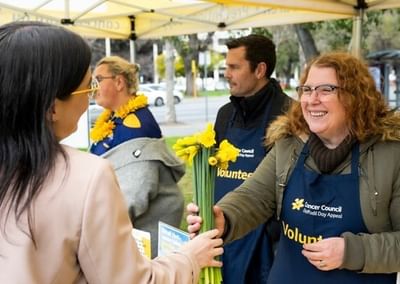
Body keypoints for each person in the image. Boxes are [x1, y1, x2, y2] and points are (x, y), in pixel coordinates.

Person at [0, 21, 223, 283]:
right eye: (87, 86)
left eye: (96, 83)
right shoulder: (86, 177)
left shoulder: (135, 125)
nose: (91, 96)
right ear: (52, 107)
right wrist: (189, 258)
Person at [188, 51, 400, 283]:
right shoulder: (290, 144)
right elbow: (253, 196)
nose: (311, 99)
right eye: (306, 90)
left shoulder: (390, 155)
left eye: (326, 89)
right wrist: (224, 218)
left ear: (355, 96)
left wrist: (354, 252)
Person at [212, 34, 290, 283]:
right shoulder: (225, 115)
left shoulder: (290, 115)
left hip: (266, 246)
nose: (226, 73)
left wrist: (271, 234)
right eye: (226, 67)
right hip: (224, 233)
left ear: (260, 70)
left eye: (234, 67)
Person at [90, 56, 185, 258]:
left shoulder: (137, 126)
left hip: (142, 247)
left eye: (98, 80)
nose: (92, 87)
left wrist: (94, 231)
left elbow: (132, 196)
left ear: (118, 82)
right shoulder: (115, 119)